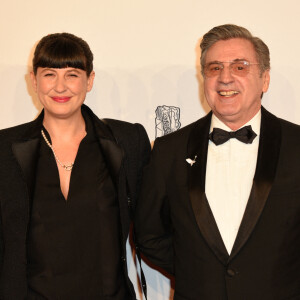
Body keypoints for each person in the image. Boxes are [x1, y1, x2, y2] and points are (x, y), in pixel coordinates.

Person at [135, 24, 300, 299]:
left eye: (240, 67)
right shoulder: (169, 150)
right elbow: (148, 234)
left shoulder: (297, 145)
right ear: (204, 79)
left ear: (265, 79)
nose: (225, 78)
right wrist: (198, 272)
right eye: (215, 68)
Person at [0, 33, 150, 299]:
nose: (60, 87)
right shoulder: (4, 148)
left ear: (89, 80)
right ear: (34, 81)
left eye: (72, 74)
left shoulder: (127, 141)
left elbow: (153, 226)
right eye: (49, 74)